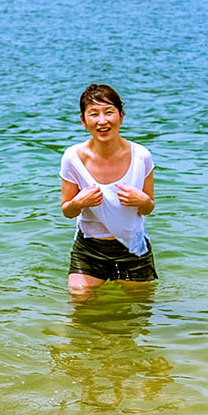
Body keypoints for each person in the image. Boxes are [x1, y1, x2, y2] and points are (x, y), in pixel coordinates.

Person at [59, 83, 156, 299]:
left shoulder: (142, 156)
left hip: (133, 247)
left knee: (138, 314)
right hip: (90, 248)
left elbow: (148, 207)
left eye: (109, 112)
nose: (102, 121)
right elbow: (67, 211)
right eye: (94, 114)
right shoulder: (72, 158)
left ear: (121, 117)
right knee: (79, 300)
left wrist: (141, 200)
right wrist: (79, 202)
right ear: (84, 122)